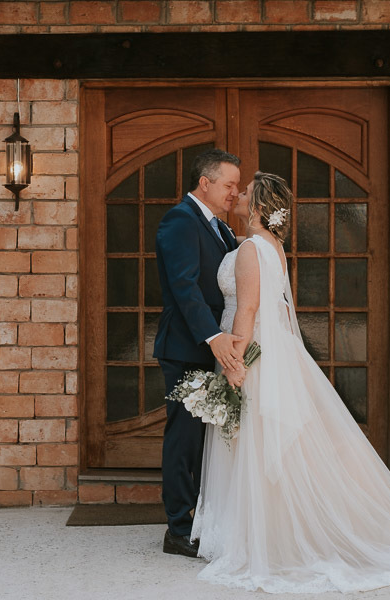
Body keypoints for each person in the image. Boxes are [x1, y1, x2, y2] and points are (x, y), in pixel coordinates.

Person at [191, 171, 390, 593]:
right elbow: (280, 311)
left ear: (262, 206)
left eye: (246, 192)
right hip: (272, 350)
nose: (240, 196)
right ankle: (273, 530)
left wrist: (236, 362)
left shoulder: (251, 248)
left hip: (250, 353)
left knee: (255, 442)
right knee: (269, 444)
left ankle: (264, 536)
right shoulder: (273, 247)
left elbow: (246, 311)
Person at [154, 149, 245, 558]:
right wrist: (214, 337)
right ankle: (177, 529)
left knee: (207, 442)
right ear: (205, 183)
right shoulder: (180, 220)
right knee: (184, 440)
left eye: (238, 187)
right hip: (187, 348)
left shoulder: (220, 228)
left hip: (213, 348)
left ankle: (203, 520)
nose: (235, 192)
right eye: (229, 185)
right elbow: (184, 286)